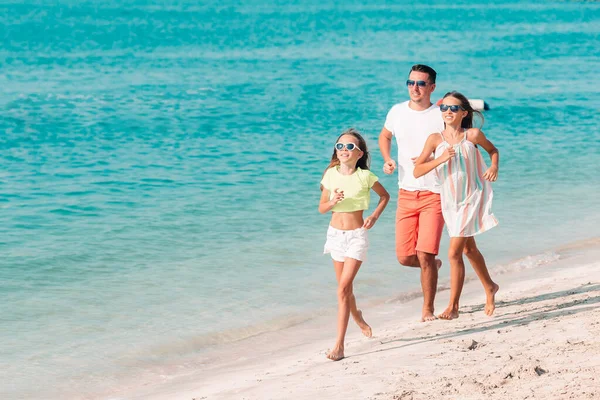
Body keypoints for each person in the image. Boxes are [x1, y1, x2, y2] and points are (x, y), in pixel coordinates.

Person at [413, 91, 500, 320]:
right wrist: (439, 159)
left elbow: (493, 151)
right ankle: (490, 286)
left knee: (453, 253)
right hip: (449, 201)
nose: (448, 112)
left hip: (472, 197)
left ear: (464, 112)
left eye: (453, 108)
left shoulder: (472, 135)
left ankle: (453, 306)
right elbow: (418, 169)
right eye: (444, 108)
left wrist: (493, 167)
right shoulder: (435, 139)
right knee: (468, 249)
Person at [378, 64, 445, 322]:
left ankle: (427, 309)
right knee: (406, 257)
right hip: (406, 191)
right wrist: (387, 159)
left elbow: (455, 143)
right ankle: (433, 268)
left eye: (420, 83)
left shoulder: (441, 114)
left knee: (425, 254)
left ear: (432, 87)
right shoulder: (396, 111)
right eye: (410, 83)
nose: (414, 88)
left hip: (434, 192)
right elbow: (385, 136)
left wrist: (432, 156)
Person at [319, 128, 390, 361]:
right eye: (340, 146)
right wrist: (332, 201)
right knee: (345, 289)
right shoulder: (330, 174)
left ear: (360, 154)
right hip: (335, 235)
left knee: (342, 289)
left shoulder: (365, 177)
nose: (344, 150)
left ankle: (339, 346)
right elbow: (321, 208)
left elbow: (385, 196)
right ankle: (357, 316)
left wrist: (374, 216)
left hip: (356, 237)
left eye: (350, 147)